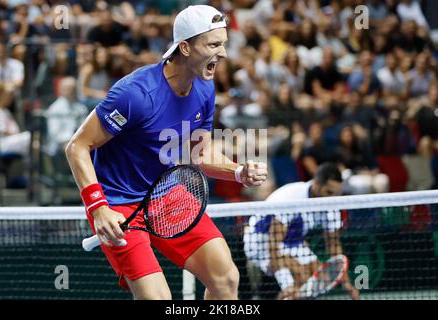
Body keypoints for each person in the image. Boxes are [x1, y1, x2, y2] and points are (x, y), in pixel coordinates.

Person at [65, 5, 268, 300]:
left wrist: (237, 171)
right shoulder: (135, 94)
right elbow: (78, 146)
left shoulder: (204, 89)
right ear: (185, 47)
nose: (223, 53)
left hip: (166, 195)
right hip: (119, 205)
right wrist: (97, 208)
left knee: (226, 279)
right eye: (213, 44)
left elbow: (201, 154)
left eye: (222, 43)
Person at [243, 162, 360, 300]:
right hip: (260, 242)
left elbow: (334, 246)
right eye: (328, 192)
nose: (331, 198)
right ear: (316, 183)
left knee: (321, 276)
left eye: (335, 193)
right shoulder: (291, 197)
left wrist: (347, 284)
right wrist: (289, 284)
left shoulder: (331, 203)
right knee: (298, 283)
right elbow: (274, 247)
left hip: (293, 241)